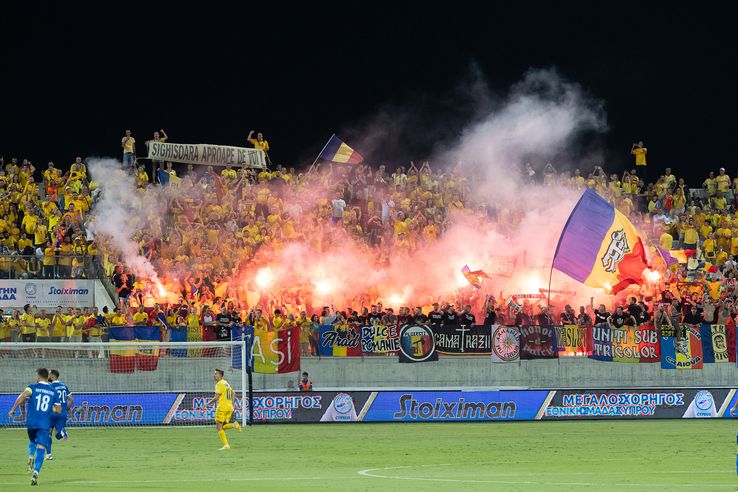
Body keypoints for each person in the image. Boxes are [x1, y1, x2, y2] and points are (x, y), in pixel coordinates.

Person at [7, 368, 62, 485]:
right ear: (48, 377)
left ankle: (30, 456)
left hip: (32, 423)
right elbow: (58, 410)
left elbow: (22, 396)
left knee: (32, 441)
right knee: (41, 448)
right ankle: (36, 472)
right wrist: (51, 407)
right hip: (44, 425)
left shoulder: (32, 387)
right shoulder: (53, 391)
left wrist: (12, 410)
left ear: (38, 376)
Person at [205, 369, 241, 450]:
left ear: (220, 375)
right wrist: (230, 403)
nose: (214, 375)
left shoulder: (219, 384)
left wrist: (207, 404)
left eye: (216, 374)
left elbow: (216, 398)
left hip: (222, 408)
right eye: (214, 374)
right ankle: (234, 425)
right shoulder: (226, 383)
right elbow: (233, 393)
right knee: (223, 426)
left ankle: (226, 445)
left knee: (219, 427)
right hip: (229, 407)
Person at [47, 369, 72, 461]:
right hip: (63, 413)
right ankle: (62, 432)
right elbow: (71, 400)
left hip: (52, 413)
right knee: (58, 436)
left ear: (53, 376)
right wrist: (66, 409)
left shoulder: (50, 387)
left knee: (48, 433)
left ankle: (49, 455)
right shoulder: (64, 386)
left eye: (49, 375)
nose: (48, 377)